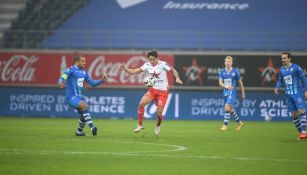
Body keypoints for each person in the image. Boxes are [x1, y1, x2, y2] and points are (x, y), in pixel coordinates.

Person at [119, 51, 183, 136]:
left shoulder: (163, 64)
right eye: (150, 60)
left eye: (153, 59)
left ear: (157, 58)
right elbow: (135, 71)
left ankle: (158, 126)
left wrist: (177, 78)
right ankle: (140, 125)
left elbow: (173, 70)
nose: (151, 61)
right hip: (152, 90)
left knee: (159, 114)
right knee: (141, 104)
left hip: (163, 92)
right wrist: (125, 69)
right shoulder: (147, 65)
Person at [58, 55, 107, 136]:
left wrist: (101, 80)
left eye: (85, 61)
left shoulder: (84, 72)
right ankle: (92, 128)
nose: (85, 63)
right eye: (82, 61)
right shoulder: (71, 70)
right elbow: (63, 77)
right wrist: (61, 82)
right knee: (84, 106)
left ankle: (79, 132)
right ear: (77, 62)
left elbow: (92, 83)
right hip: (71, 97)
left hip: (79, 97)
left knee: (83, 115)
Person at [274, 52, 307, 140]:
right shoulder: (282, 69)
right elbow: (280, 80)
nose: (283, 60)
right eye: (282, 58)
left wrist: (306, 91)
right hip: (288, 95)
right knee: (294, 115)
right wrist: (277, 88)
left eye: (284, 58)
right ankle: (301, 133)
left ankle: (304, 132)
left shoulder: (296, 68)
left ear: (289, 59)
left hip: (297, 93)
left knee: (301, 111)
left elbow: (304, 79)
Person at [219, 56, 245, 131]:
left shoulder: (235, 71)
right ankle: (239, 122)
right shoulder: (221, 71)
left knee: (227, 106)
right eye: (226, 61)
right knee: (230, 110)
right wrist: (226, 85)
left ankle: (225, 125)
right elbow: (220, 82)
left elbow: (240, 83)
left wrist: (243, 92)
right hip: (226, 92)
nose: (227, 63)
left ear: (232, 63)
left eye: (229, 61)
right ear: (224, 62)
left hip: (232, 92)